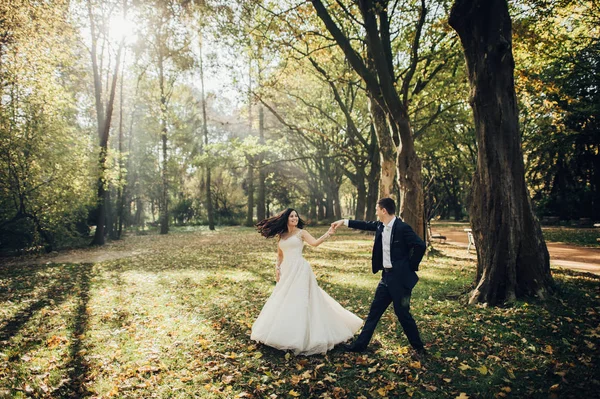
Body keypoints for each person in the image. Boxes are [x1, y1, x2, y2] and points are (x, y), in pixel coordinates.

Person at [251, 208, 363, 355]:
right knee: (284, 299)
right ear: (286, 218)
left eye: (296, 216)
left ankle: (305, 337)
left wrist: (328, 233)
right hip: (287, 271)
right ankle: (285, 332)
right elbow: (280, 255)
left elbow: (315, 243)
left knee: (301, 300)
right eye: (291, 216)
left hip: (300, 270)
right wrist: (277, 268)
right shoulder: (282, 235)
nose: (294, 218)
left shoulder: (301, 233)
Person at [331, 198, 427, 358]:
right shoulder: (380, 226)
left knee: (403, 314)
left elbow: (420, 245)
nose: (376, 212)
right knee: (374, 313)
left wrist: (409, 266)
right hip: (386, 279)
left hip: (400, 281)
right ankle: (359, 345)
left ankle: (419, 348)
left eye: (377, 209)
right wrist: (343, 221)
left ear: (383, 210)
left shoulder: (402, 228)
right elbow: (364, 224)